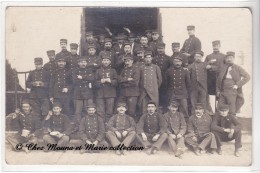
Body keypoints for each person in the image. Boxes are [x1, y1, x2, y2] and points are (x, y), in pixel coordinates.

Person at [217, 51, 250, 116]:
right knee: (220, 107)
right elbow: (218, 80)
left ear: (234, 58)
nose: (229, 59)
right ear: (226, 59)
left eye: (231, 58)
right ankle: (220, 124)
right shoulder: (223, 68)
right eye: (228, 58)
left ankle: (232, 125)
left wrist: (237, 85)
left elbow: (247, 77)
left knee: (231, 110)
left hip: (232, 92)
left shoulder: (238, 68)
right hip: (222, 91)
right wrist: (217, 90)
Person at [165, 56, 191, 120]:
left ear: (181, 62)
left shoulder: (185, 71)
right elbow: (166, 83)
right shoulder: (169, 71)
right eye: (176, 61)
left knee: (184, 109)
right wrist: (169, 93)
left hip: (182, 93)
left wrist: (186, 93)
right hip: (172, 93)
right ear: (173, 62)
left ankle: (185, 122)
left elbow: (188, 83)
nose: (177, 63)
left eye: (179, 61)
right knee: (172, 109)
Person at [204, 40, 226, 114]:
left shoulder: (224, 56)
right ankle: (210, 112)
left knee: (219, 96)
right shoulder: (209, 56)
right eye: (214, 46)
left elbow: (224, 68)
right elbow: (204, 65)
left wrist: (212, 67)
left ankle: (219, 113)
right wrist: (208, 63)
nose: (215, 47)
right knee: (209, 95)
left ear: (220, 46)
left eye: (217, 45)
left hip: (220, 78)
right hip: (210, 79)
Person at [95, 55, 117, 123]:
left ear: (110, 62)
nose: (106, 62)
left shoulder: (113, 70)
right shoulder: (98, 71)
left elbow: (116, 82)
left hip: (110, 93)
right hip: (100, 93)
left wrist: (110, 81)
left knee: (109, 111)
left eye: (107, 60)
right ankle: (101, 124)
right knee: (100, 111)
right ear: (102, 61)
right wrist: (100, 81)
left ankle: (108, 125)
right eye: (104, 60)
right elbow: (94, 82)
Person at [72, 56, 95, 124]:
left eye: (85, 62)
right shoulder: (75, 71)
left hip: (88, 93)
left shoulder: (89, 70)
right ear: (78, 63)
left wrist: (82, 77)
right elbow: (74, 81)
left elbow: (92, 79)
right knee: (78, 111)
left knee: (87, 109)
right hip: (78, 93)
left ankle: (88, 124)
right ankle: (79, 124)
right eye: (81, 62)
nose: (83, 63)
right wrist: (87, 79)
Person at [118, 54, 140, 120]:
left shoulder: (136, 70)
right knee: (123, 109)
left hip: (132, 93)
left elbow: (135, 82)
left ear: (132, 61)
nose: (127, 63)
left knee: (131, 111)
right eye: (126, 61)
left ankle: (132, 125)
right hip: (124, 93)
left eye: (128, 61)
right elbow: (119, 79)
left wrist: (124, 83)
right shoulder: (123, 70)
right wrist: (127, 79)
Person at [152, 42, 171, 112]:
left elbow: (170, 70)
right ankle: (156, 110)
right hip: (156, 80)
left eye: (162, 49)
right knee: (157, 95)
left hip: (165, 80)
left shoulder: (168, 58)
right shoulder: (154, 59)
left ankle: (165, 110)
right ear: (157, 49)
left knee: (165, 95)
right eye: (159, 49)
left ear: (164, 49)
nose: (160, 50)